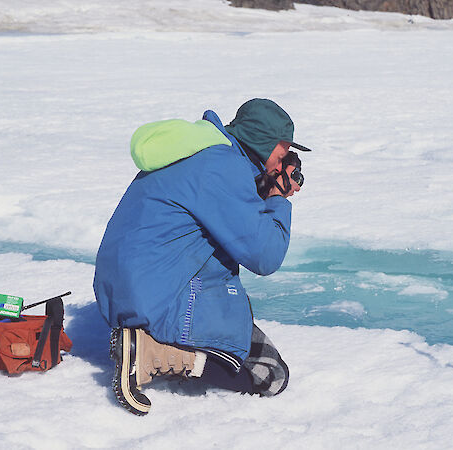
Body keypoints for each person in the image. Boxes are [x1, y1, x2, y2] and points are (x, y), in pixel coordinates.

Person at [93, 98, 311, 415]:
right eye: (281, 153)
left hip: (128, 289)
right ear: (265, 143)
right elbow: (265, 256)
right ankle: (150, 353)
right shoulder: (222, 168)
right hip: (158, 297)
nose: (280, 163)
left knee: (240, 328)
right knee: (270, 374)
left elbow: (221, 210)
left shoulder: (201, 151)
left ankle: (149, 341)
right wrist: (278, 198)